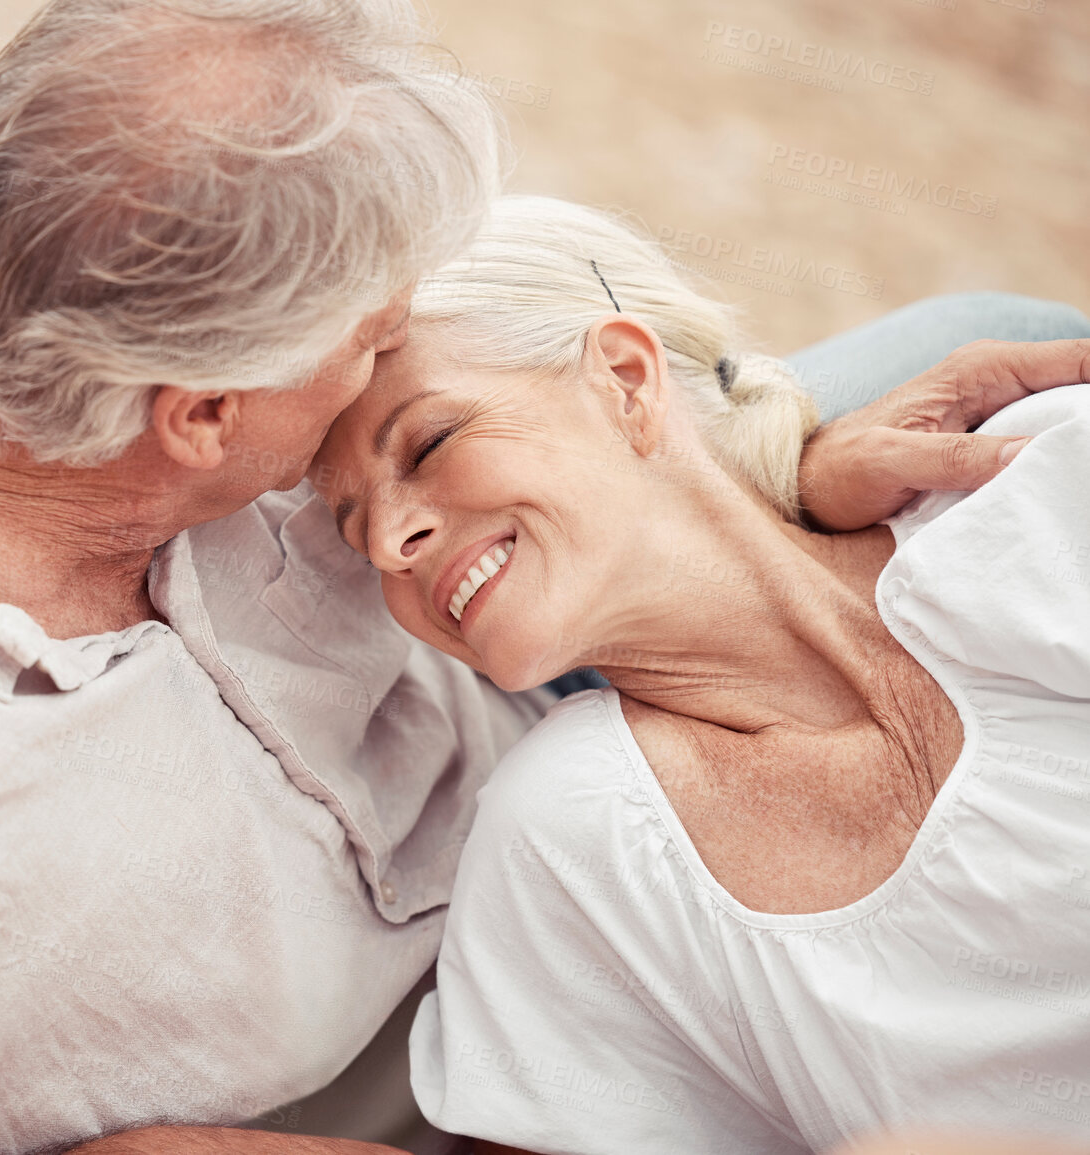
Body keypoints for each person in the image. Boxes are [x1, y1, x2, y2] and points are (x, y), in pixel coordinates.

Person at [0, 0, 1090, 1150]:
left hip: (525, 622)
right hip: (417, 1051)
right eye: (364, 347)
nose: (395, 330)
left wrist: (778, 462)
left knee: (979, 338)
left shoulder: (55, 191)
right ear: (203, 416)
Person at [308, 194, 1090, 1154]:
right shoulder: (562, 838)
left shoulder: (1036, 485)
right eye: (353, 531)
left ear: (626, 381)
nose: (389, 541)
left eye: (428, 444)